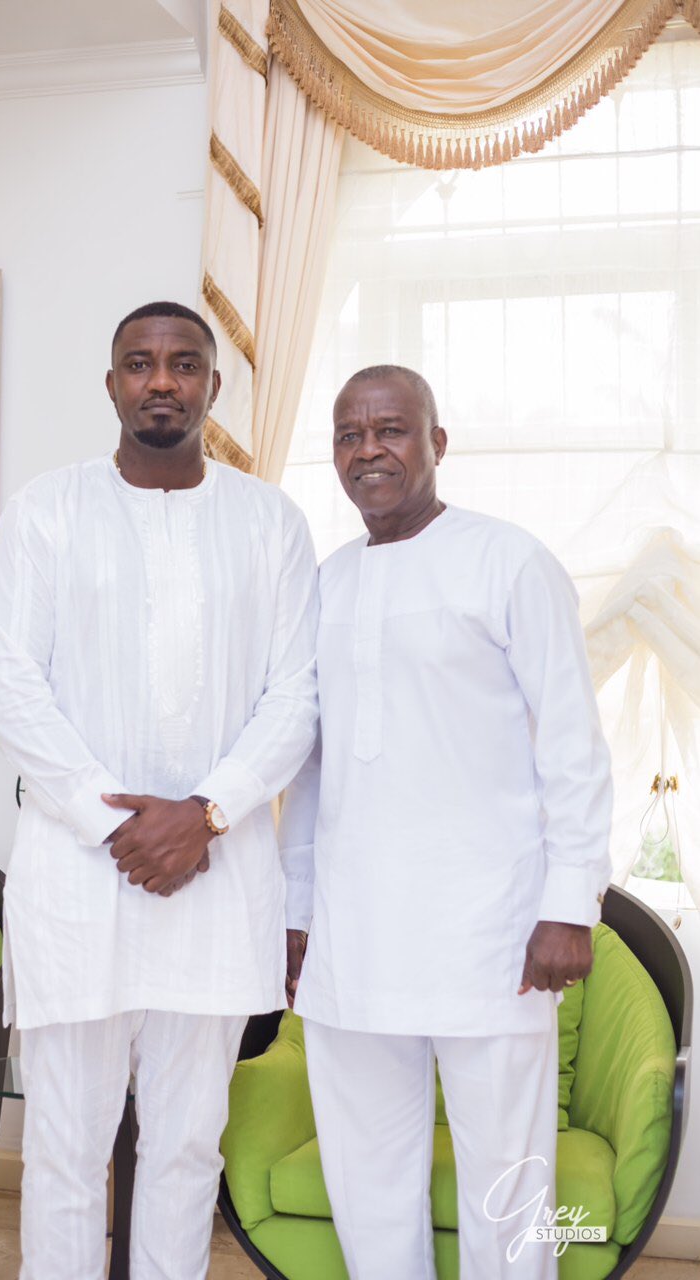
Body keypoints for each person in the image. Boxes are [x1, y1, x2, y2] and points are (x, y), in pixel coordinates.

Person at [0, 301, 318, 1280]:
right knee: (65, 1152)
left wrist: (203, 812)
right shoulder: (47, 508)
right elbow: (5, 677)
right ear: (112, 384)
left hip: (215, 884)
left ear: (214, 385)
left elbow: (296, 693)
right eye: (139, 363)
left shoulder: (269, 521)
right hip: (76, 883)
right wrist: (108, 819)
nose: (160, 380)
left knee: (183, 1151)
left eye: (183, 363)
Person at [280, 365, 612, 1280]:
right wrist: (296, 911)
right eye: (350, 434)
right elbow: (310, 767)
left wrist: (570, 903)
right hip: (355, 938)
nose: (368, 450)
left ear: (437, 442)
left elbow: (574, 747)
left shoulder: (511, 561)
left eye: (391, 429)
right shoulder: (324, 584)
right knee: (366, 1175)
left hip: (491, 933)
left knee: (509, 1179)